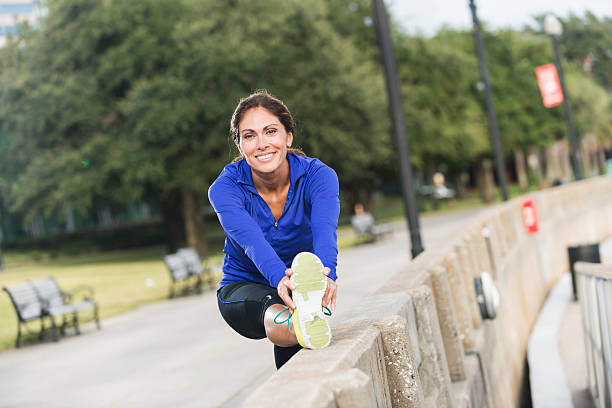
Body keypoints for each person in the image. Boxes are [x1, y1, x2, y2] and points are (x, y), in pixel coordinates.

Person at [208, 91, 340, 369]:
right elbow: (252, 242)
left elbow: (324, 230)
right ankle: (300, 322)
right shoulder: (225, 188)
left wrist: (327, 274)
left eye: (270, 131)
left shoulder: (319, 176)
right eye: (249, 135)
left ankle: (303, 323)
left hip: (295, 292)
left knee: (299, 364)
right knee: (279, 312)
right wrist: (282, 279)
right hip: (245, 289)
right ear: (239, 144)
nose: (261, 144)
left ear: (288, 136)